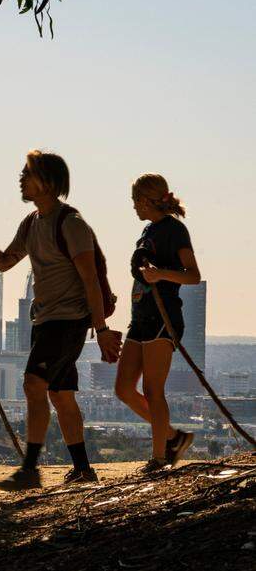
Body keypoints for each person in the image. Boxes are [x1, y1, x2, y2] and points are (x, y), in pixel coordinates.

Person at [0, 150, 121, 490]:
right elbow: (3, 261)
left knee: (32, 384)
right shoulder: (32, 223)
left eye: (27, 174)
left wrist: (100, 330)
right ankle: (83, 469)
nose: (21, 180)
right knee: (60, 394)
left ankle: (30, 469)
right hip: (46, 322)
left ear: (49, 182)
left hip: (67, 322)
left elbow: (90, 280)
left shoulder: (71, 224)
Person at [115, 174, 199, 473]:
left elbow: (193, 274)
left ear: (146, 201)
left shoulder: (175, 230)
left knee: (153, 390)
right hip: (140, 317)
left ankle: (161, 458)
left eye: (135, 201)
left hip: (163, 319)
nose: (134, 207)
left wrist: (160, 274)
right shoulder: (147, 231)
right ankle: (173, 437)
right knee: (123, 388)